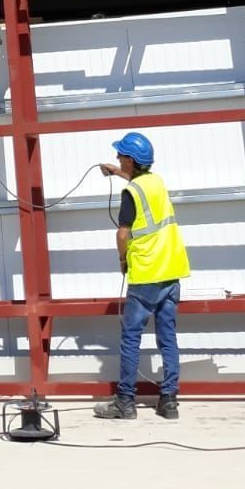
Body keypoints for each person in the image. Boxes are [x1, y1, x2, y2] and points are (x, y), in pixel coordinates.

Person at [93, 132, 190, 421]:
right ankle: (169, 401)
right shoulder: (156, 181)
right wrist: (117, 172)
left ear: (131, 160)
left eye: (120, 155)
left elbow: (123, 234)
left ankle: (125, 402)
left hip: (146, 274)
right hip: (171, 271)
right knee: (168, 338)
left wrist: (122, 259)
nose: (117, 157)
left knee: (131, 338)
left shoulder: (130, 193)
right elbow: (141, 185)